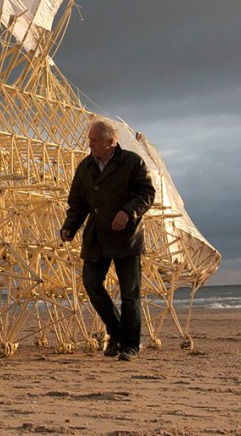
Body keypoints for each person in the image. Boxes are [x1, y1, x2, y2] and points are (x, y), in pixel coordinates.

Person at [59, 117, 155, 361]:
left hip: (126, 237)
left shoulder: (132, 163)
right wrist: (69, 227)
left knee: (130, 294)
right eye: (89, 140)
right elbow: (77, 204)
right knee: (91, 283)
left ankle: (130, 346)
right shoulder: (85, 168)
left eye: (94, 141)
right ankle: (116, 331)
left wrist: (127, 211)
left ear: (110, 142)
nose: (89, 144)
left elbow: (147, 193)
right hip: (97, 237)